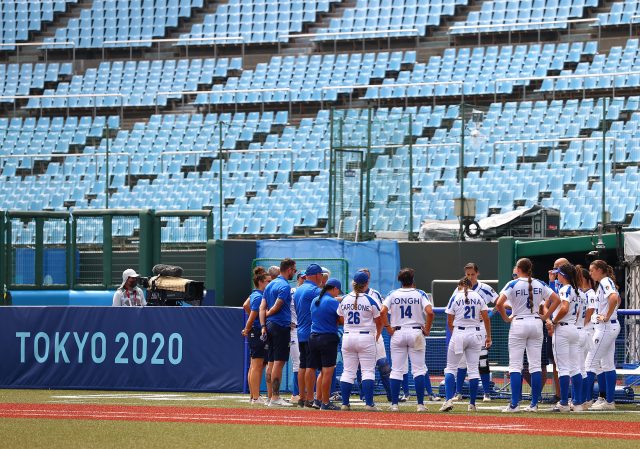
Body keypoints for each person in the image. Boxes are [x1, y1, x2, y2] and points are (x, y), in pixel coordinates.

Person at [495, 258, 560, 412]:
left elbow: (498, 303)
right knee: (535, 365)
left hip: (519, 323)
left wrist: (506, 318)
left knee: (516, 365)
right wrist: (545, 317)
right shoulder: (540, 283)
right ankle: (534, 404)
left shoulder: (513, 283)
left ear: (518, 269)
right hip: (536, 323)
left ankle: (514, 404)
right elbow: (556, 300)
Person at [381, 268, 434, 412]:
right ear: (413, 279)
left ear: (400, 280)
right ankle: (420, 405)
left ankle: (394, 405)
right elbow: (430, 312)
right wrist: (427, 329)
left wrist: (388, 327)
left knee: (396, 370)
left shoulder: (393, 294)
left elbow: (382, 311)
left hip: (397, 332)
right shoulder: (420, 293)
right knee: (418, 370)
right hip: (416, 332)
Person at [440, 277, 492, 412]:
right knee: (474, 370)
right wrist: (488, 336)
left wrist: (455, 333)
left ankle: (448, 400)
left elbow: (449, 320)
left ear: (460, 286)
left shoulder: (456, 297)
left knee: (451, 368)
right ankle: (472, 404)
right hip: (475, 334)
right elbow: (486, 318)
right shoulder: (479, 296)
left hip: (460, 332)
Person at [452, 263, 498, 403]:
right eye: (468, 274)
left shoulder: (485, 288)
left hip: (480, 329)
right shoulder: (459, 289)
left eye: (472, 274)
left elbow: (500, 302)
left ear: (477, 273)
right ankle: (458, 392)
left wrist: (489, 314)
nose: (470, 277)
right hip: (463, 329)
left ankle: (486, 393)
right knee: (461, 362)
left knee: (482, 361)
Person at [338, 271, 383, 411]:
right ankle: (369, 404)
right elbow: (379, 320)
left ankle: (345, 403)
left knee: (348, 371)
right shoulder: (371, 299)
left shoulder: (345, 298)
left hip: (348, 336)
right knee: (368, 371)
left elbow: (340, 318)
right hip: (365, 336)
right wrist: (377, 334)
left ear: (353, 283)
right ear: (366, 284)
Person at [583, 259, 621, 411]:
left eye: (592, 270)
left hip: (605, 326)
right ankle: (608, 401)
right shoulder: (606, 282)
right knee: (607, 364)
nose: (590, 273)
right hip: (608, 326)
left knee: (589, 363)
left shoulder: (605, 281)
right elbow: (617, 299)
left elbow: (613, 298)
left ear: (599, 270)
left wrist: (606, 315)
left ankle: (585, 400)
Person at [260, 258, 297, 407]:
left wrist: (263, 324)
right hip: (280, 326)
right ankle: (275, 397)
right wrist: (270, 316)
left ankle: (270, 397)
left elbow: (262, 307)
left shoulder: (270, 285)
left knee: (270, 362)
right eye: (294, 270)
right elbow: (275, 307)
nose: (294, 273)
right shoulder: (284, 286)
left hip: (269, 326)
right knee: (279, 363)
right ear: (288, 270)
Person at [547, 263, 583, 412]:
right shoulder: (577, 290)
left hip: (562, 328)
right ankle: (578, 402)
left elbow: (564, 307)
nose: (557, 276)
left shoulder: (565, 289)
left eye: (559, 274)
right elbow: (579, 312)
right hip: (573, 328)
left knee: (562, 368)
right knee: (575, 367)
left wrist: (554, 322)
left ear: (563, 275)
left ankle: (563, 403)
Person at [356, 268, 393, 403]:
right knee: (361, 367)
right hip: (360, 334)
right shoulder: (352, 295)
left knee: (384, 365)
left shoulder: (374, 294)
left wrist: (378, 333)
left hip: (374, 333)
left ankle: (391, 394)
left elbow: (381, 314)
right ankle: (364, 395)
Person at [308, 278, 343, 410]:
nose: (337, 294)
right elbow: (342, 319)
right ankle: (326, 402)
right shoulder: (332, 302)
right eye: (337, 291)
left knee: (321, 372)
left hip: (313, 337)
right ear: (334, 288)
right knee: (328, 371)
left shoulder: (315, 300)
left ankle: (318, 400)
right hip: (327, 338)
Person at [293, 264, 324, 408]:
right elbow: (328, 301)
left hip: (301, 332)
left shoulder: (299, 290)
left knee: (303, 365)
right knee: (311, 367)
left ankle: (302, 397)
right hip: (312, 332)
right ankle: (310, 399)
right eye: (321, 275)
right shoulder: (314, 290)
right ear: (317, 275)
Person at [241, 267, 271, 405]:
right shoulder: (259, 296)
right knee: (257, 365)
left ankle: (254, 396)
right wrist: (248, 328)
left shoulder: (255, 294)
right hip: (258, 332)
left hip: (256, 331)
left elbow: (245, 305)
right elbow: (252, 314)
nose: (269, 284)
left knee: (254, 365)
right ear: (260, 282)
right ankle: (255, 397)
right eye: (267, 281)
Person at [576, 265, 598, 406]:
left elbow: (590, 310)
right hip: (585, 331)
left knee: (585, 367)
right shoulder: (580, 292)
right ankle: (586, 398)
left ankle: (586, 398)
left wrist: (581, 324)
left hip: (588, 331)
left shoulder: (590, 293)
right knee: (585, 366)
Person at [288, 271, 304, 404]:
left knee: (306, 363)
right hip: (294, 330)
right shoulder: (292, 291)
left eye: (306, 277)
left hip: (305, 330)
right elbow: (282, 305)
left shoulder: (310, 291)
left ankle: (304, 392)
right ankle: (295, 394)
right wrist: (287, 320)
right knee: (297, 363)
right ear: (298, 279)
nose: (304, 280)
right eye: (302, 278)